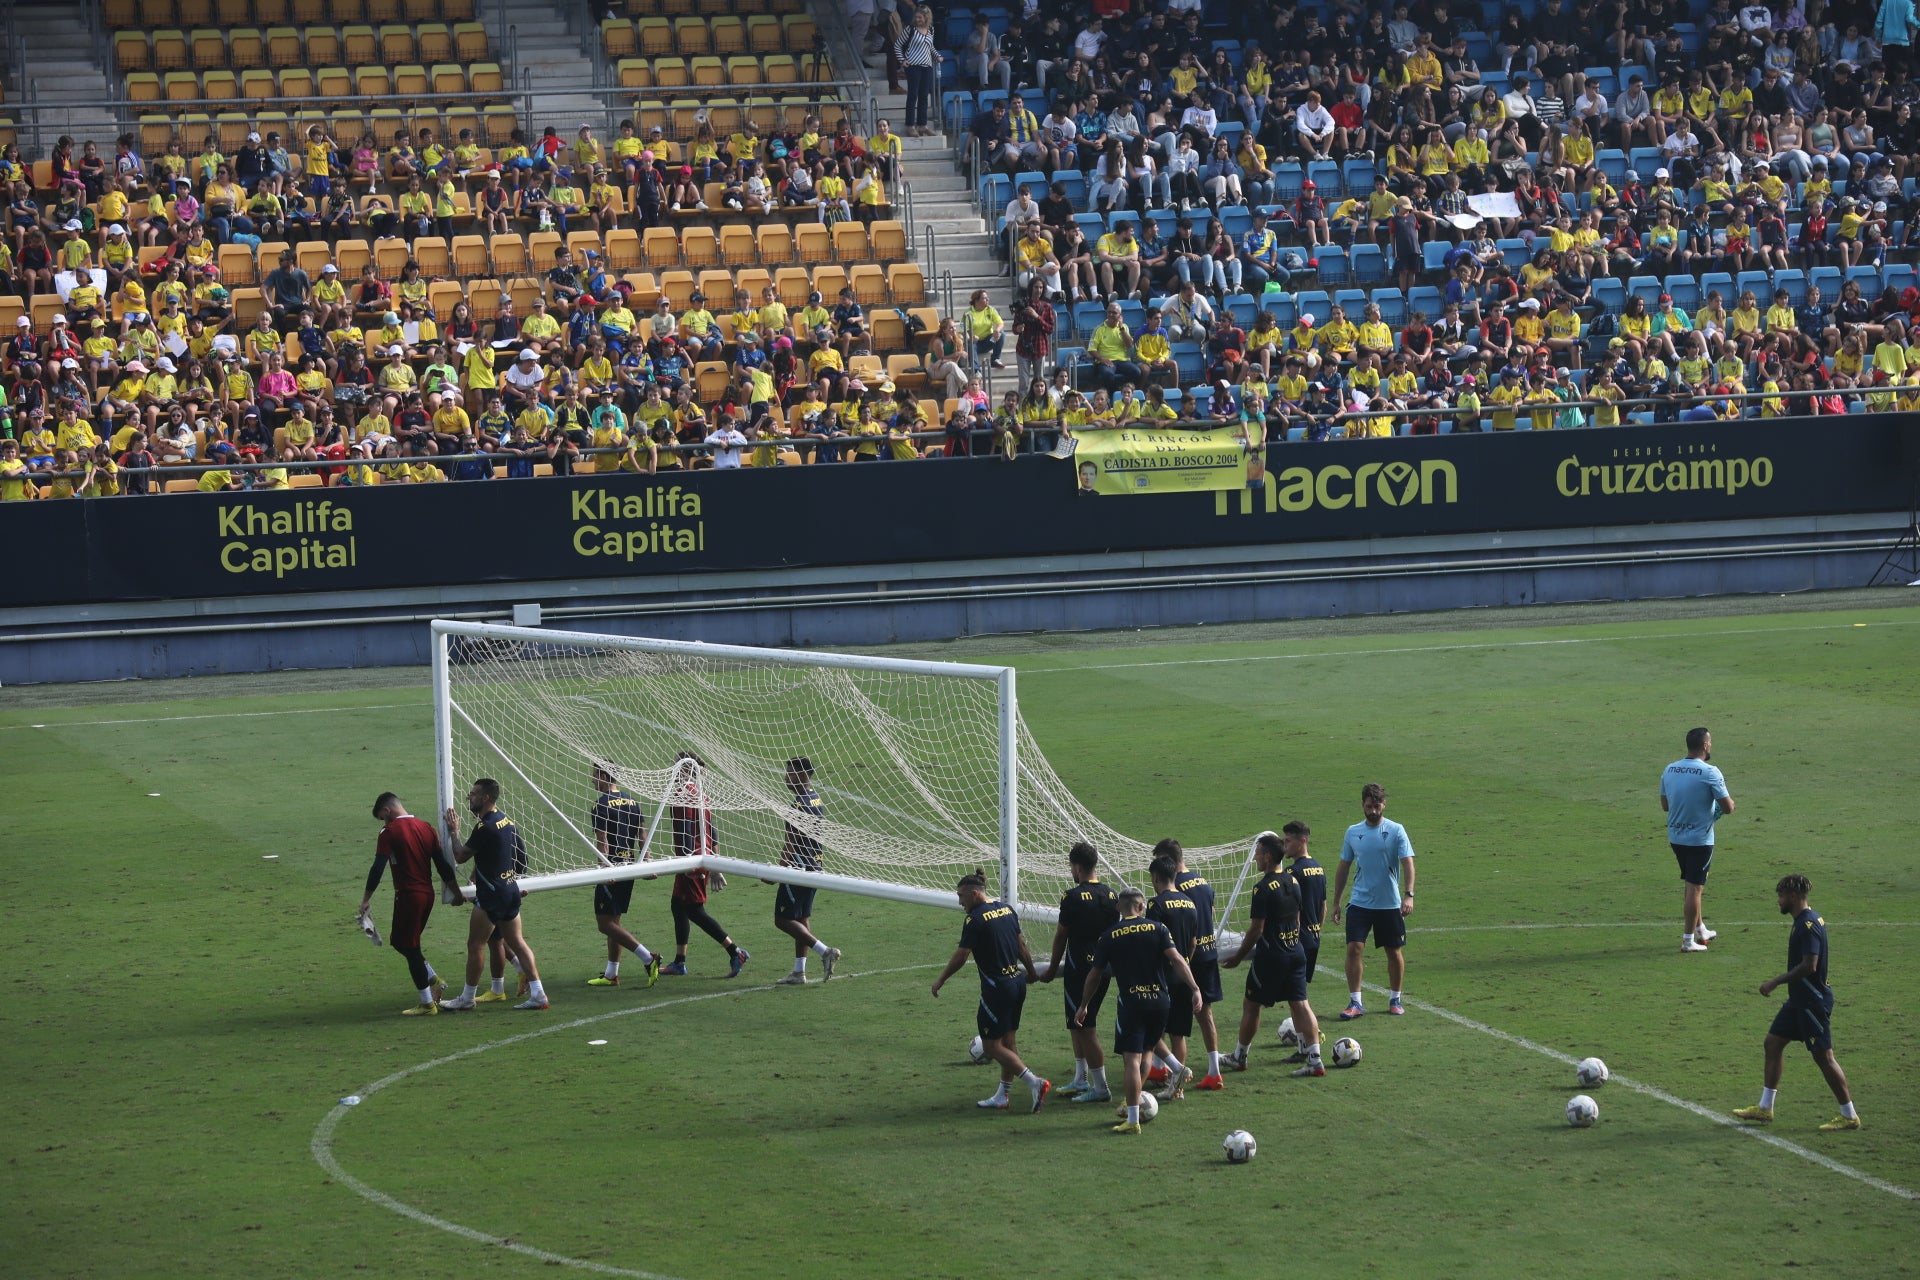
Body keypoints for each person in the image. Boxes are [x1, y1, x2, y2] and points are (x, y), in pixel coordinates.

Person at [1733, 874, 1862, 1131]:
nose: (1779, 901)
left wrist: (1775, 982)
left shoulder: (1808, 925)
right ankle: (1765, 1108)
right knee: (1773, 1042)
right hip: (1798, 1001)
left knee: (1824, 1057)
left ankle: (1849, 1115)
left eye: (1781, 896)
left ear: (1792, 896)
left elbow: (1809, 966)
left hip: (1812, 1003)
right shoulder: (1804, 921)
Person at [1077, 888, 1204, 1134]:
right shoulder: (1159, 929)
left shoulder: (1110, 936)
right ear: (1142, 907)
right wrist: (1195, 988)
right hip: (1160, 1002)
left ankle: (1133, 1118)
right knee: (1148, 1048)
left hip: (1132, 1003)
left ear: (1118, 909)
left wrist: (1084, 1004)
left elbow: (1095, 974)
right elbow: (1178, 959)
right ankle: (1175, 1069)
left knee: (1131, 1060)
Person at [931, 870, 1050, 1112]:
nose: (959, 902)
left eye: (961, 896)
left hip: (997, 989)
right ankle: (1003, 1096)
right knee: (1008, 1042)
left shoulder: (974, 919)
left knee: (990, 1047)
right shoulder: (1006, 910)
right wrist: (1032, 973)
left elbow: (962, 955)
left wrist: (941, 979)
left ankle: (1034, 1082)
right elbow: (1021, 946)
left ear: (975, 894)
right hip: (1016, 983)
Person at [439, 779, 549, 1011]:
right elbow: (521, 859)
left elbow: (460, 855)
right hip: (510, 890)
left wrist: (454, 832)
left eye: (474, 794)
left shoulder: (485, 826)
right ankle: (538, 993)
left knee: (475, 944)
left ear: (486, 798)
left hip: (492, 895)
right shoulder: (506, 821)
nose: (469, 797)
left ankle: (468, 998)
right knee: (517, 943)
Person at [1222, 832, 1326, 1077]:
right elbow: (1298, 917)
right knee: (1301, 1004)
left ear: (1267, 857)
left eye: (1258, 854)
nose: (1255, 859)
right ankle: (1315, 1059)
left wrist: (1238, 957)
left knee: (1251, 1005)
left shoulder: (1262, 889)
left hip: (1272, 958)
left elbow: (1257, 930)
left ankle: (1240, 1056)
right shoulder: (1294, 880)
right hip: (1295, 952)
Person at [359, 791, 465, 1016]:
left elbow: (377, 867)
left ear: (387, 810)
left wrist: (366, 898)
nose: (383, 822)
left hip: (408, 895)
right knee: (402, 942)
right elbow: (442, 865)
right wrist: (456, 892)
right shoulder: (426, 827)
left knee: (408, 945)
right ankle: (433, 979)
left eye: (382, 817)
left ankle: (428, 1002)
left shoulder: (389, 832)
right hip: (427, 894)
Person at [657, 752, 749, 977]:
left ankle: (735, 951)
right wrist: (715, 864)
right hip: (698, 857)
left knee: (695, 911)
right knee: (677, 905)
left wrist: (690, 861)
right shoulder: (701, 795)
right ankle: (680, 961)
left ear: (685, 769)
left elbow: (688, 827)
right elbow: (712, 831)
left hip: (692, 861)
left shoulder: (683, 794)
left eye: (676, 766)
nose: (673, 770)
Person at [1329, 783, 1415, 1020]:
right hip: (1360, 902)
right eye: (1369, 806)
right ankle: (1355, 1002)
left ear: (1384, 805)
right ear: (1363, 805)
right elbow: (1344, 867)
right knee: (1354, 948)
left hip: (1389, 903)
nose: (1373, 811)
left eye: (1377, 806)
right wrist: (1336, 902)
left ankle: (1395, 998)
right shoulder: (1352, 832)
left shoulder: (1396, 830)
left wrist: (1409, 894)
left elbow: (1407, 862)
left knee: (1393, 951)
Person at [1042, 841, 1119, 1102]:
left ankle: (1100, 1088)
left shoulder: (1072, 897)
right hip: (1105, 966)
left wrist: (1052, 968)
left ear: (1077, 866)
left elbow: (1061, 936)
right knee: (1076, 1023)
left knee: (1086, 1026)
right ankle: (1081, 1079)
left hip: (1081, 969)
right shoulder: (1112, 896)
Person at [585, 763, 662, 988]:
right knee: (614, 921)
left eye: (594, 775)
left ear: (603, 775)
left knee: (605, 924)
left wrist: (605, 869)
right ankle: (611, 974)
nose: (592, 780)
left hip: (613, 869)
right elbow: (643, 836)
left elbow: (603, 842)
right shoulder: (633, 801)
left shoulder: (599, 805)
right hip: (629, 868)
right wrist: (646, 864)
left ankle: (648, 958)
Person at [1161, 838, 1226, 1087]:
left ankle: (1169, 1072)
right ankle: (1213, 1071)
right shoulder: (1202, 881)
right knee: (1205, 1013)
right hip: (1209, 953)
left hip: (1188, 958)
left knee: (1173, 1018)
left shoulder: (1174, 887)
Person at [1662, 726, 1734, 953]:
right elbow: (1728, 807)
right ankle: (1687, 940)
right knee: (1695, 887)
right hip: (1700, 839)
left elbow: (1665, 805)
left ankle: (1701, 928)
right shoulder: (1710, 772)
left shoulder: (1670, 769)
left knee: (1693, 883)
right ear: (1705, 745)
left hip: (1676, 836)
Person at [771, 756, 841, 985]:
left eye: (790, 773)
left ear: (802, 775)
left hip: (798, 868)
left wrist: (777, 872)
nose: (785, 778)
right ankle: (799, 972)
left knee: (782, 920)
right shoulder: (816, 799)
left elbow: (791, 842)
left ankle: (824, 951)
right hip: (815, 865)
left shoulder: (799, 805)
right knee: (801, 917)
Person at [1144, 856, 1205, 1100]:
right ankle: (1176, 1087)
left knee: (1154, 1033)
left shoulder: (1156, 905)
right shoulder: (1190, 903)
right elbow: (1193, 942)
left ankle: (1165, 1075)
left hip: (1162, 976)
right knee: (1178, 1033)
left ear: (1156, 877)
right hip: (1184, 974)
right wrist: (1186, 963)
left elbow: (1152, 943)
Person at [1279, 819, 1327, 1063]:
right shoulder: (1318, 868)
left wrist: (1294, 936)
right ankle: (1304, 1046)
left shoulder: (1292, 872)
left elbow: (1294, 910)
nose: (1284, 846)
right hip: (1314, 936)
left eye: (1288, 841)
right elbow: (1323, 906)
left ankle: (1310, 1045)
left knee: (1299, 999)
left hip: (1298, 940)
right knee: (1297, 997)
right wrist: (1315, 929)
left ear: (1302, 841)